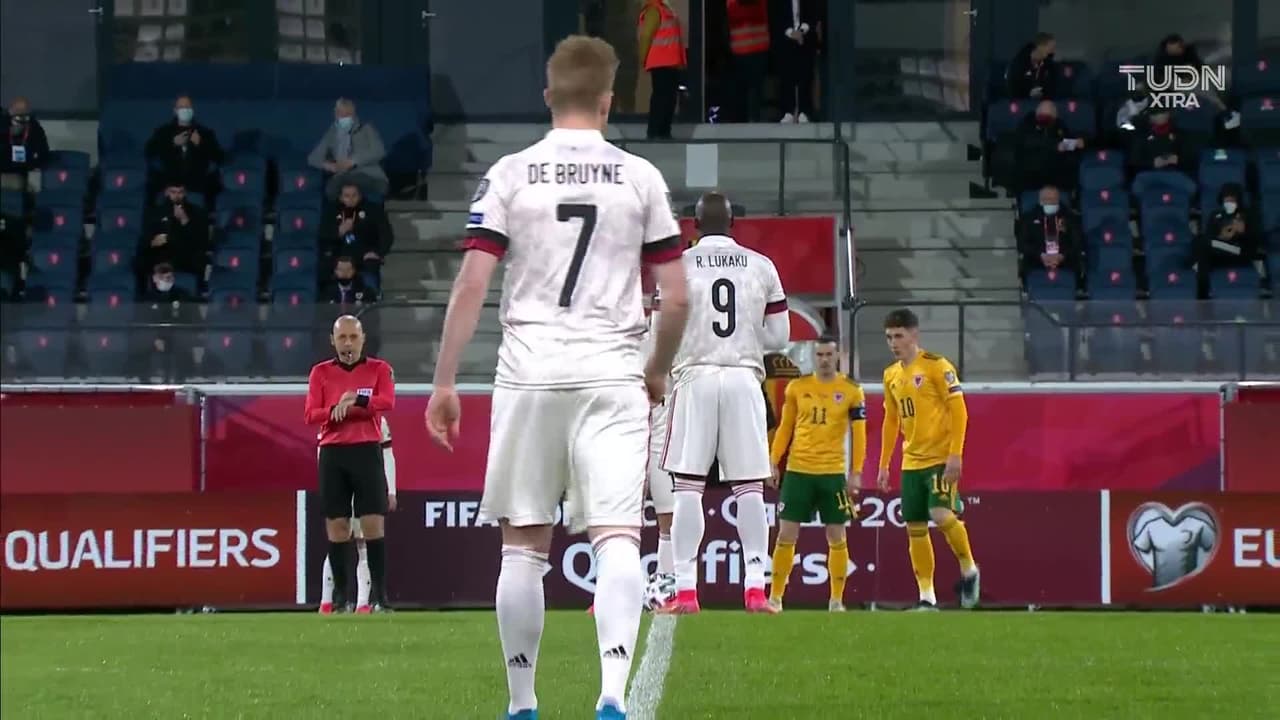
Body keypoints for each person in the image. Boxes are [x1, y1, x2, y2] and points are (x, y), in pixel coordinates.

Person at [423, 35, 690, 720]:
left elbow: (472, 283)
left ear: (548, 97)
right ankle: (611, 692)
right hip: (612, 372)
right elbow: (679, 297)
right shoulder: (640, 178)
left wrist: (445, 381)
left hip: (530, 373)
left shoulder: (511, 172)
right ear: (609, 101)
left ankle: (521, 702)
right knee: (618, 537)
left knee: (523, 544)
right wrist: (655, 370)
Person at [659, 191, 790, 615]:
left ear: (692, 225)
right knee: (749, 487)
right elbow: (779, 338)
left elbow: (663, 327)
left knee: (688, 488)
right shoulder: (761, 265)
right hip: (742, 377)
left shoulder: (678, 266)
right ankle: (755, 587)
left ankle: (685, 590)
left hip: (695, 376)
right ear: (734, 223)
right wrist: (745, 338)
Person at [877, 309, 979, 610]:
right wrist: (884, 463)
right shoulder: (891, 375)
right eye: (889, 337)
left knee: (940, 513)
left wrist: (955, 454)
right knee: (915, 527)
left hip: (939, 457)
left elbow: (960, 411)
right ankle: (926, 596)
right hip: (911, 461)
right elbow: (891, 421)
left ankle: (970, 569)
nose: (894, 343)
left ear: (914, 335)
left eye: (899, 336)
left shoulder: (937, 366)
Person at [766, 335, 866, 612]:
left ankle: (836, 600)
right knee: (786, 535)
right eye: (819, 354)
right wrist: (773, 461)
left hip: (832, 473)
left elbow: (859, 436)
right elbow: (785, 428)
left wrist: (856, 472)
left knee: (837, 536)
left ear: (837, 356)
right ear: (813, 356)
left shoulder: (851, 391)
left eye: (828, 355)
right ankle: (775, 597)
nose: (823, 360)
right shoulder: (798, 388)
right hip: (798, 471)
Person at [304, 316, 396, 613]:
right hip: (333, 452)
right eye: (342, 337)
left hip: (367, 450)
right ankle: (340, 598)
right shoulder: (320, 373)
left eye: (353, 337)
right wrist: (336, 410)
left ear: (362, 339)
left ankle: (379, 598)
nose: (347, 343)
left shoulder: (379, 369)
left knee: (372, 524)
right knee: (338, 525)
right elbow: (311, 415)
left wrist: (356, 399)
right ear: (333, 340)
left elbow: (387, 402)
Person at [320, 415, 398, 614]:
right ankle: (330, 600)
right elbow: (322, 451)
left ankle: (366, 602)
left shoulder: (377, 420)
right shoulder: (331, 416)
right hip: (340, 484)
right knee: (339, 539)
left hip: (366, 483)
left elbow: (387, 454)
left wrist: (391, 491)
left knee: (364, 541)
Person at [308, 98, 389, 200]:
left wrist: (353, 161)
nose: (344, 117)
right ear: (335, 114)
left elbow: (379, 151)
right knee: (331, 189)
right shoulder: (332, 134)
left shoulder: (366, 129)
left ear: (353, 114)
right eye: (341, 114)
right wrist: (329, 166)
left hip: (370, 176)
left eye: (348, 114)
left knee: (346, 182)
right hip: (342, 177)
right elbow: (312, 158)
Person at [144, 95, 223, 196]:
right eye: (181, 107)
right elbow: (149, 152)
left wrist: (201, 144)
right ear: (175, 110)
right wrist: (171, 143)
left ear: (192, 110)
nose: (185, 110)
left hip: (198, 189)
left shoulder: (205, 133)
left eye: (188, 107)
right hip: (169, 188)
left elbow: (219, 157)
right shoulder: (163, 132)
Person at [1018, 185, 1085, 294]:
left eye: (1053, 200)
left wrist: (1062, 255)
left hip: (1065, 260)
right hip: (1037, 260)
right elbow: (1022, 243)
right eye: (1046, 200)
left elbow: (1077, 243)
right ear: (1040, 201)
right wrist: (1041, 255)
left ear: (1058, 200)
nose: (1049, 202)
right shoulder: (1028, 218)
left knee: (1076, 262)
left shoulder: (1070, 217)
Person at [638, 0, 687, 140]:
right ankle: (655, 132)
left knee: (669, 99)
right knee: (662, 98)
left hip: (671, 62)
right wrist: (643, 58)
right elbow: (646, 36)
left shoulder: (666, 9)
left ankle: (663, 132)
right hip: (661, 62)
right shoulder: (655, 10)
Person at [772, 0, 821, 123]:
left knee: (805, 76)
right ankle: (788, 111)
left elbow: (813, 16)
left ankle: (804, 111)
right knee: (786, 77)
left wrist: (801, 32)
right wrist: (791, 33)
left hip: (805, 40)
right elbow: (776, 18)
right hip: (786, 41)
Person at [726, 0, 770, 123]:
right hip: (742, 51)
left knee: (755, 88)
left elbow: (758, 14)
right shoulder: (732, 2)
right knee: (743, 89)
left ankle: (753, 118)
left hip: (757, 50)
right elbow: (735, 16)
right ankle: (743, 119)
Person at [1005, 32, 1058, 100]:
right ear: (1040, 46)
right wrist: (1029, 94)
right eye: (1051, 48)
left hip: (1043, 104)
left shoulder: (1049, 65)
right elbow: (1012, 90)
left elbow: (1052, 88)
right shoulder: (1018, 63)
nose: (1053, 51)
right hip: (1022, 103)